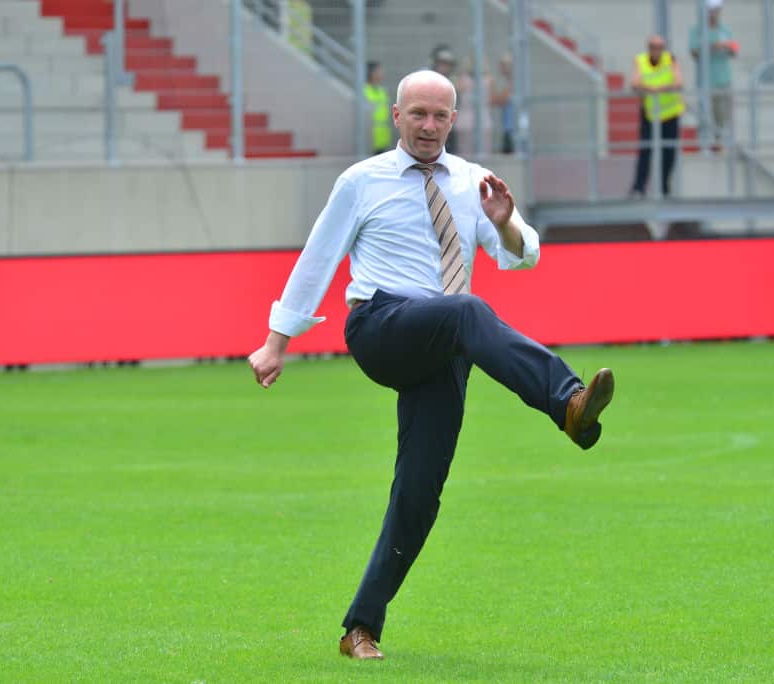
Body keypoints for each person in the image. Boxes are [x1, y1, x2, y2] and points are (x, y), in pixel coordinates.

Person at [247, 69, 615, 660]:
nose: (428, 125)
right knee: (466, 311)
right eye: (417, 114)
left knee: (419, 495)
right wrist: (276, 340)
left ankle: (359, 629)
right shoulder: (361, 181)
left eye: (439, 115)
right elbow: (318, 257)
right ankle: (567, 401)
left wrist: (505, 224)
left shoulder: (473, 182)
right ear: (396, 116)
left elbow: (526, 256)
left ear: (454, 118)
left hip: (444, 345)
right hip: (382, 324)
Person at [628, 35, 685, 198]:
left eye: (660, 47)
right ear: (648, 47)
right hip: (651, 114)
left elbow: (679, 82)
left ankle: (664, 188)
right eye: (653, 46)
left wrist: (660, 88)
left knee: (669, 153)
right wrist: (650, 88)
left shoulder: (671, 60)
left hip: (670, 113)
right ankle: (639, 187)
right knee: (645, 151)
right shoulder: (641, 60)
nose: (656, 50)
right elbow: (634, 83)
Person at [689, 0, 736, 150]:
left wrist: (728, 47)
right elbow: (694, 52)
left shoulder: (725, 30)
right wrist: (712, 46)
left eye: (716, 10)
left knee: (721, 114)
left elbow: (734, 50)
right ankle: (703, 141)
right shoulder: (697, 30)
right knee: (704, 112)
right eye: (711, 10)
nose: (713, 13)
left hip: (722, 78)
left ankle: (718, 142)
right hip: (705, 79)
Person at [454, 57, 495, 157]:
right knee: (464, 151)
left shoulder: (488, 79)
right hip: (466, 117)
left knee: (485, 150)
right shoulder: (463, 78)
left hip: (483, 117)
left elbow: (492, 98)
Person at [430, 45, 459, 153]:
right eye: (443, 63)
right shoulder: (427, 79)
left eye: (448, 64)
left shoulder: (453, 81)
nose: (446, 67)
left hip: (448, 125)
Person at [364, 61, 392, 155]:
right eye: (379, 71)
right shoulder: (363, 91)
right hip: (369, 139)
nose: (382, 73)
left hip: (382, 138)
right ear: (371, 73)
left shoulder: (381, 91)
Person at [496, 54, 515, 154]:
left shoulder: (513, 81)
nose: (502, 68)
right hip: (507, 124)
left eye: (505, 65)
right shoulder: (505, 81)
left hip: (513, 126)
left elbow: (501, 100)